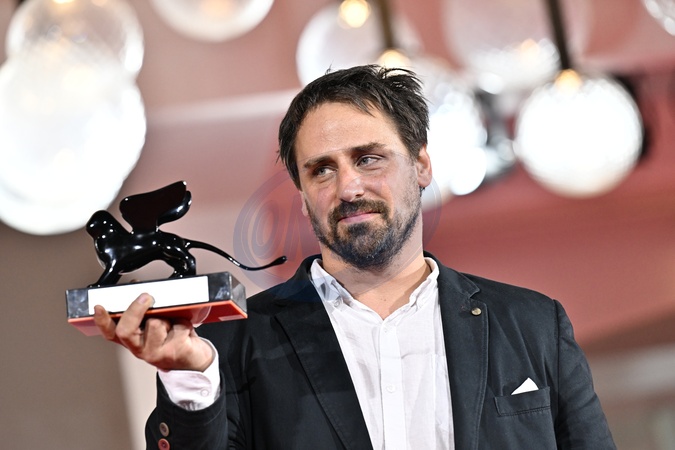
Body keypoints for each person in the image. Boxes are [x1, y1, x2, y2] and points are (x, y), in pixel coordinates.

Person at [94, 65, 616, 449]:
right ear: (302, 195)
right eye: (321, 169)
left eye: (368, 159)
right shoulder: (233, 342)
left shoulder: (532, 325)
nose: (348, 188)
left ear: (421, 164)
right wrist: (189, 382)